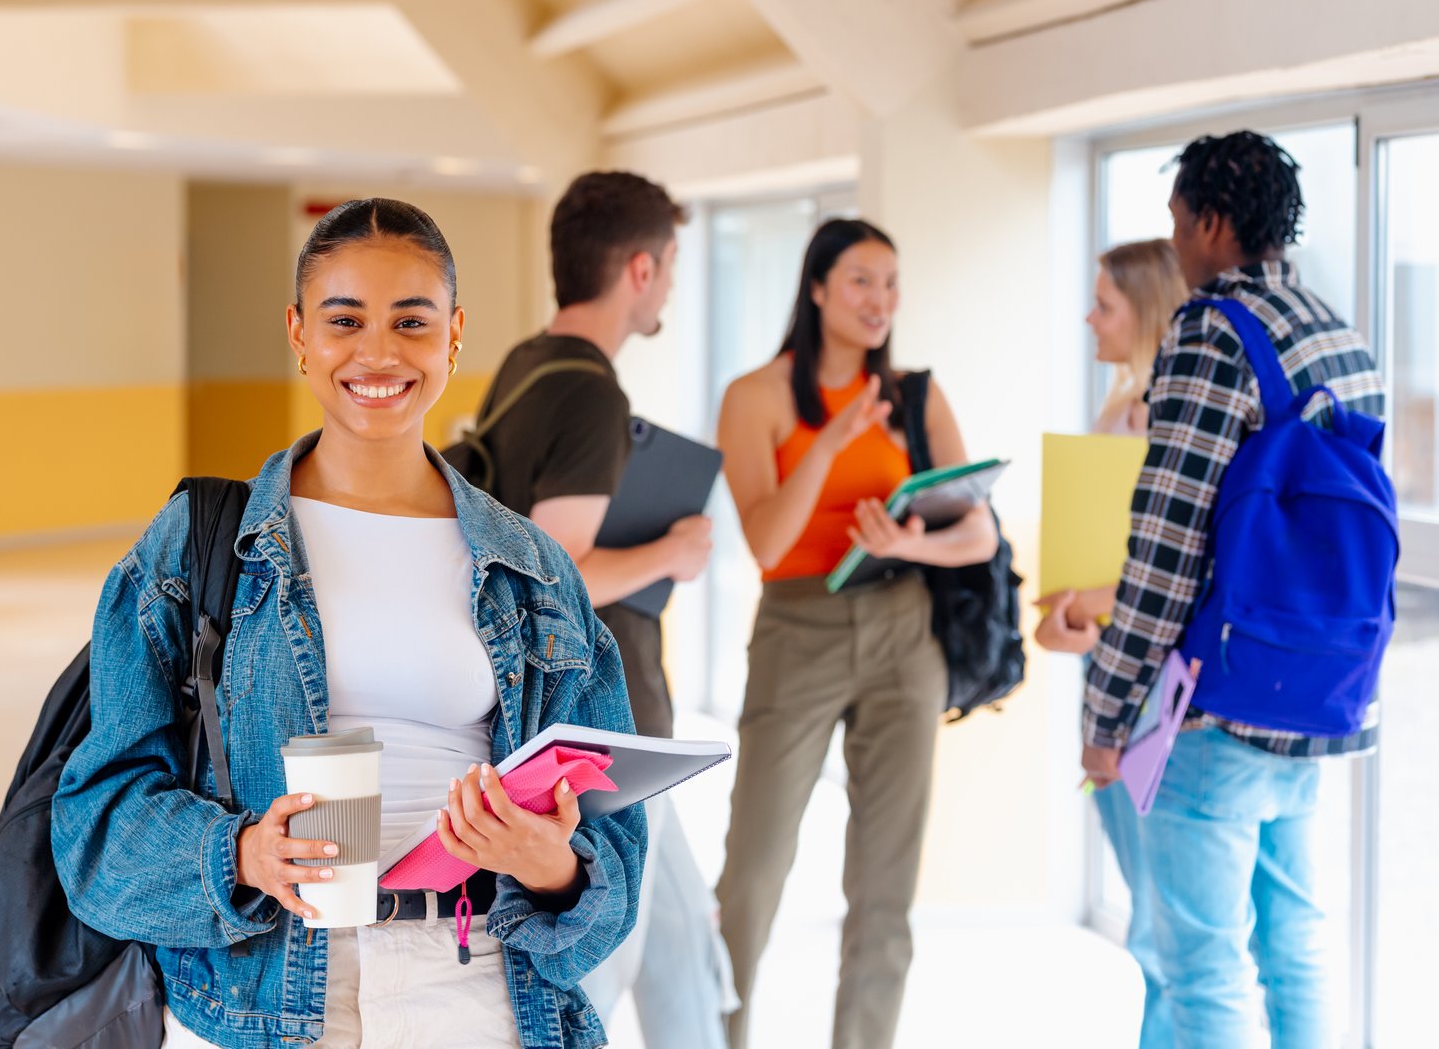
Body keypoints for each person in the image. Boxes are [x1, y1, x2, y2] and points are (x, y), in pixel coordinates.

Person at [51, 198, 646, 1049]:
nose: (378, 352)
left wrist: (551, 868)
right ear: (298, 333)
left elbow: (615, 852)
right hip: (258, 1000)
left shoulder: (533, 569)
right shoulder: (197, 547)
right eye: (344, 320)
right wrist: (243, 855)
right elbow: (95, 829)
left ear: (453, 334)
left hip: (476, 991)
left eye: (411, 320)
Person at [1078, 131, 1383, 1048]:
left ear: (1211, 221)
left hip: (1215, 702)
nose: (1174, 245)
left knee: (1200, 964)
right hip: (1317, 689)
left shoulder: (1211, 331)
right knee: (1296, 943)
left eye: (1176, 222)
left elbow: (1165, 543)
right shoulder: (1333, 327)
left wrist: (1103, 716)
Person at [453, 170, 731, 1048]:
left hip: (582, 720)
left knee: (685, 946)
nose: (671, 288)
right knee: (597, 965)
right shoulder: (591, 391)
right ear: (640, 270)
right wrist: (671, 555)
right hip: (602, 730)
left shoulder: (526, 366)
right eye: (672, 266)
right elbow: (556, 564)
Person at [714, 218, 999, 1049]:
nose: (881, 301)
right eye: (861, 281)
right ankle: (716, 1032)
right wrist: (833, 438)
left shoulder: (915, 395)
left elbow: (977, 534)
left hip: (905, 630)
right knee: (753, 872)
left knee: (886, 883)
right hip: (797, 629)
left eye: (891, 283)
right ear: (815, 289)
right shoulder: (756, 396)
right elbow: (764, 541)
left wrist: (906, 540)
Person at [1034, 238, 1186, 1049]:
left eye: (1105, 304)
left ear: (1147, 310)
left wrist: (1092, 603)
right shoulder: (1114, 414)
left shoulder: (1164, 422)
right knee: (1147, 903)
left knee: (1162, 923)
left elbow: (1163, 575)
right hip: (1108, 670)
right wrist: (1069, 615)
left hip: (1155, 689)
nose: (1089, 317)